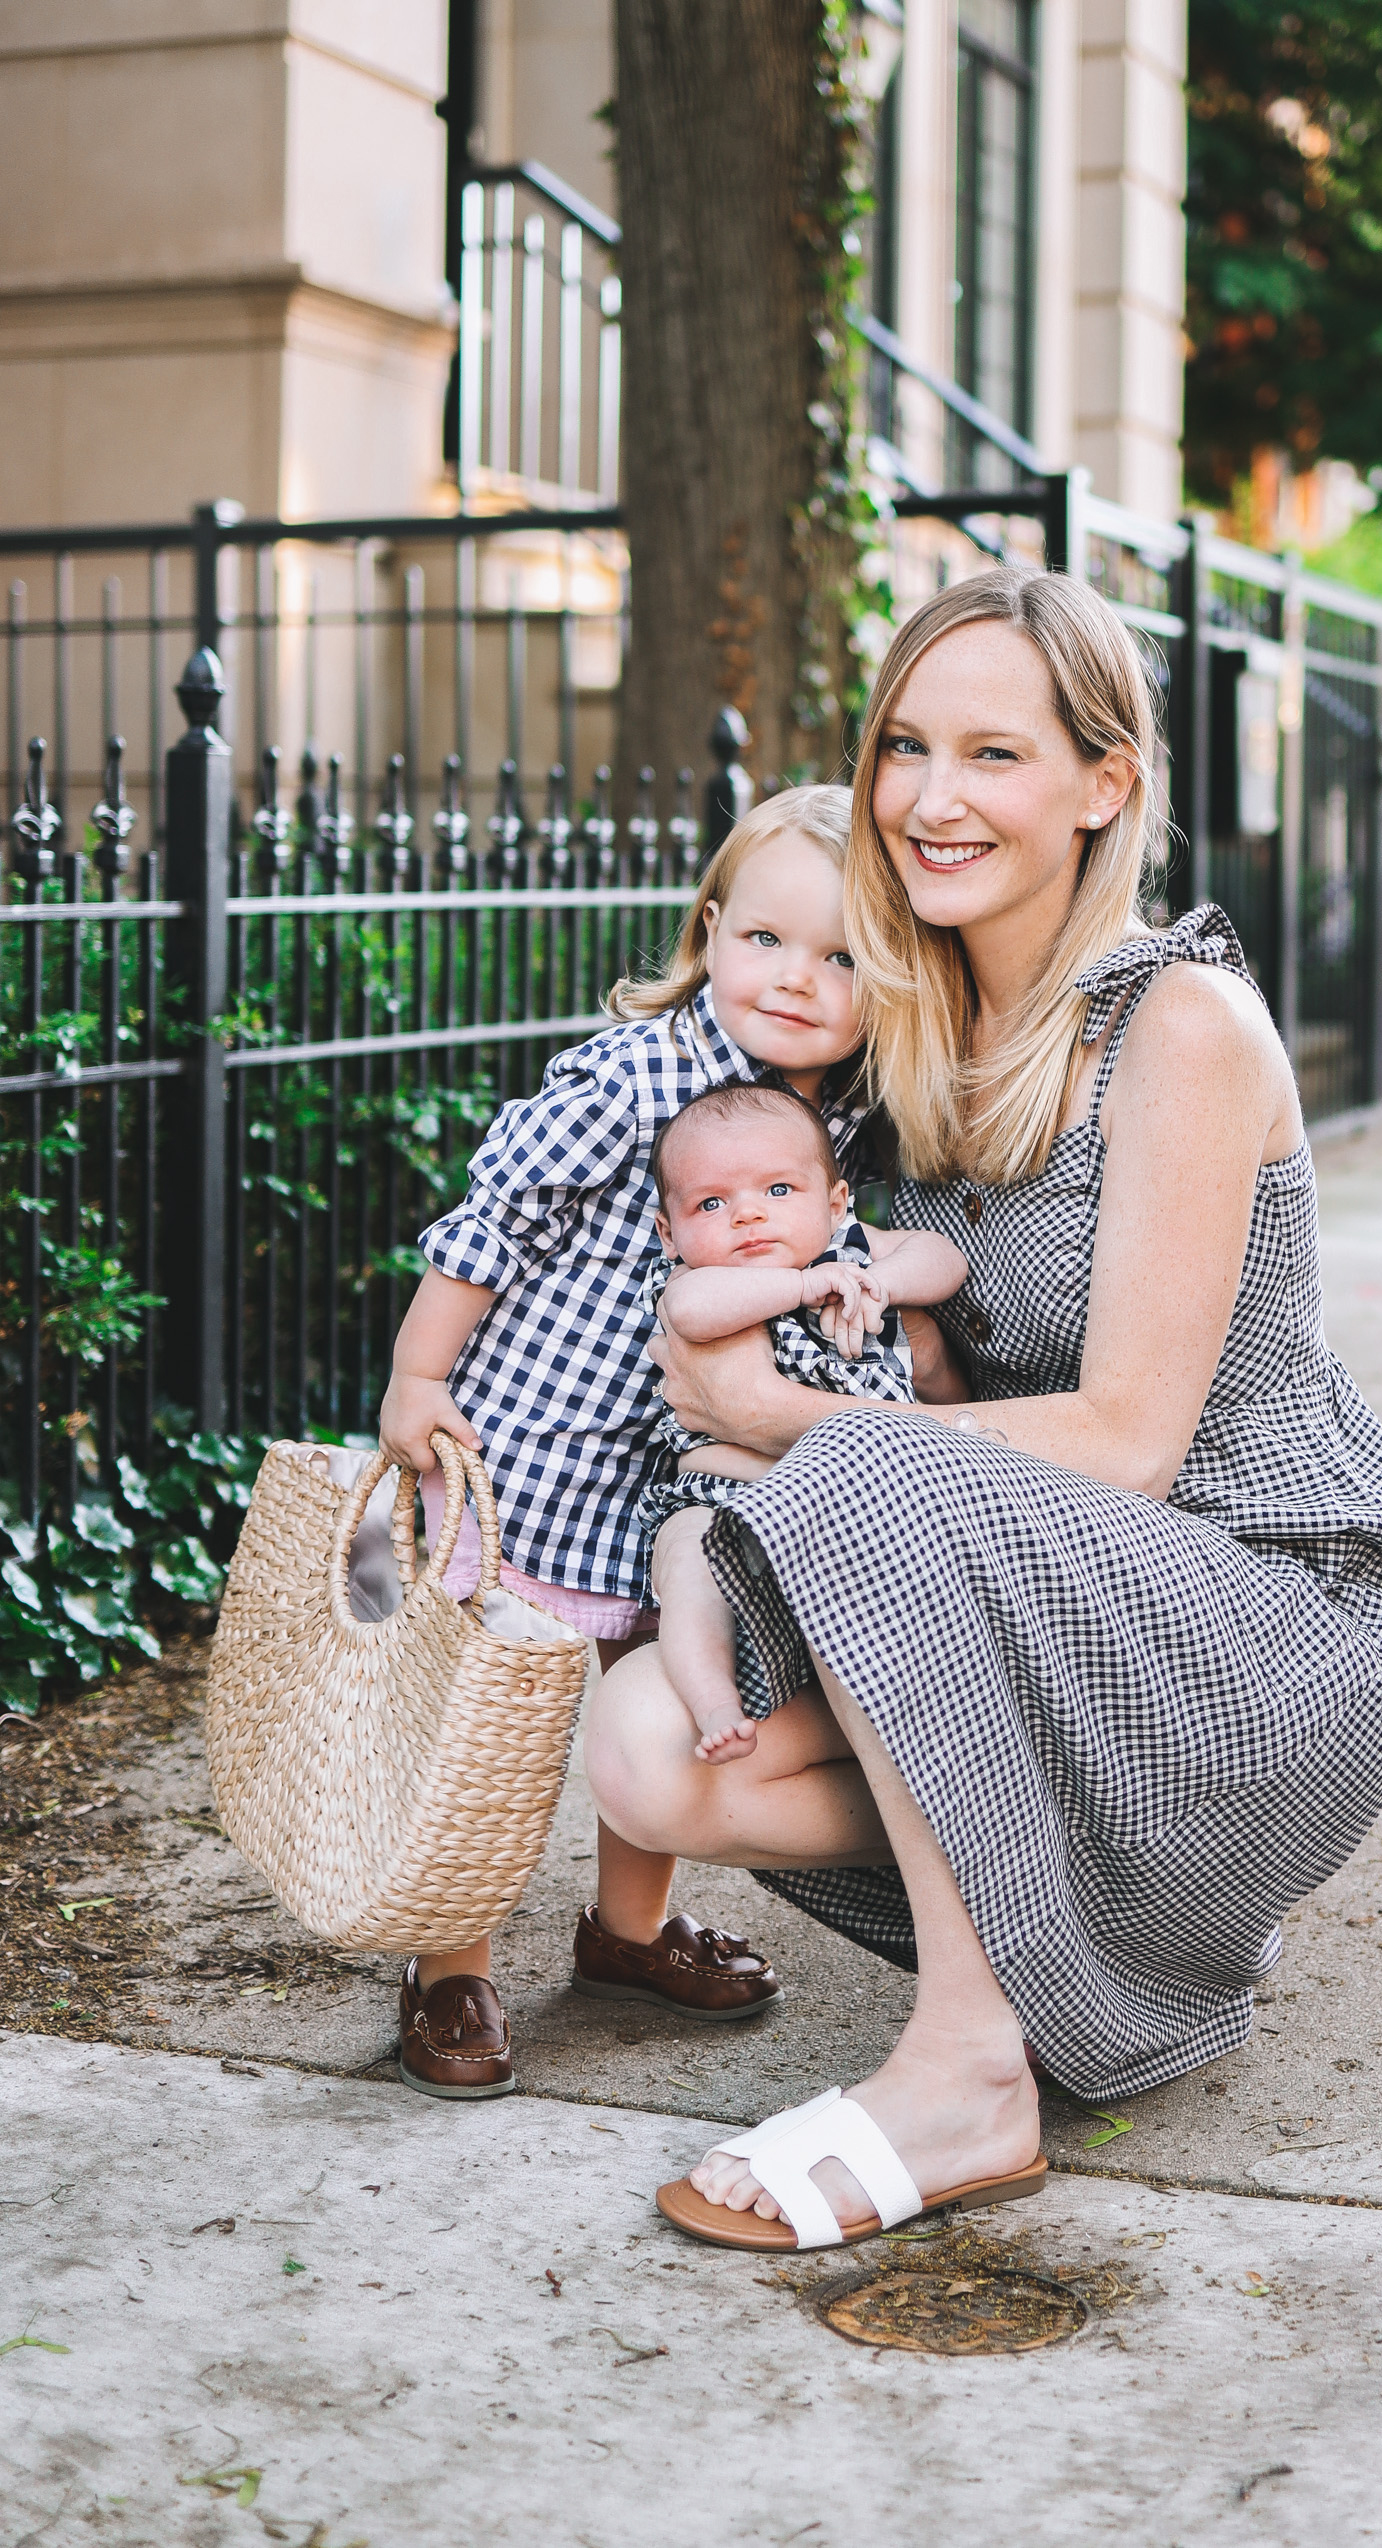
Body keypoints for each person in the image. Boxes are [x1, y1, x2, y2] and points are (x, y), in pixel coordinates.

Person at [585, 565, 1382, 2252]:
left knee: (855, 1474)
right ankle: (1117, 1910)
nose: (928, 800)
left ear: (1105, 783)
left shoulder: (1181, 1028)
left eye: (995, 754)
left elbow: (1130, 1442)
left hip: (1269, 1604)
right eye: (905, 748)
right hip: (1040, 1602)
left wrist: (775, 1421)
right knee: (645, 1756)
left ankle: (971, 2064)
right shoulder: (907, 1031)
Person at [375, 786, 872, 2097]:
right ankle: (451, 1964)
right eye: (765, 939)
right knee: (493, 1717)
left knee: (646, 1691)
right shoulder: (634, 1076)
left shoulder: (837, 1119)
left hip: (674, 1478)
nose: (797, 980)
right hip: (530, 1457)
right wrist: (418, 1374)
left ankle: (627, 1934)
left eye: (844, 957)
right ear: (710, 928)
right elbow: (495, 1222)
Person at [635, 1078, 966, 1763]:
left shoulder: (848, 1247)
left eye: (778, 1191)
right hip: (720, 1500)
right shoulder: (696, 1283)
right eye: (712, 1203)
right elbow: (693, 1315)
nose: (749, 1217)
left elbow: (947, 1258)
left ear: (836, 1200)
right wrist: (803, 1287)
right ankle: (714, 1701)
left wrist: (886, 1283)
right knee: (687, 1568)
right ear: (670, 1232)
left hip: (859, 1499)